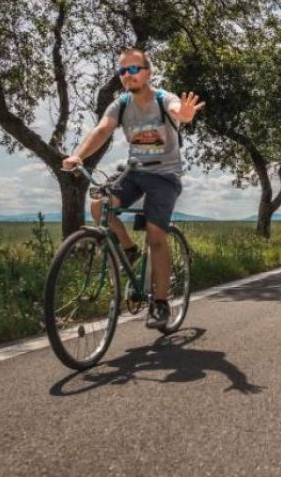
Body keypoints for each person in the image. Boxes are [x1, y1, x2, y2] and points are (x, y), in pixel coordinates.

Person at [62, 47, 205, 328]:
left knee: (155, 235)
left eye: (133, 69)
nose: (127, 75)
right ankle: (128, 249)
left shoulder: (164, 99)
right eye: (122, 71)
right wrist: (78, 155)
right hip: (134, 171)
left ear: (148, 73)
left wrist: (185, 115)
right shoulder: (121, 104)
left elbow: (178, 110)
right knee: (98, 205)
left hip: (165, 176)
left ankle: (161, 303)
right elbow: (102, 129)